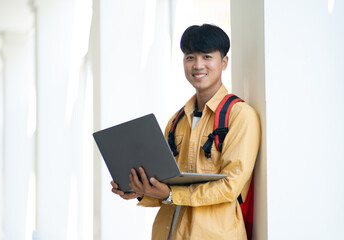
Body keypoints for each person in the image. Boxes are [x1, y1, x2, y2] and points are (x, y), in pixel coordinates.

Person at [111, 24, 261, 240]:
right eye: (190, 57)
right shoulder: (176, 121)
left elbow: (231, 187)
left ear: (224, 62)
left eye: (207, 56)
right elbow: (167, 188)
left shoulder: (240, 116)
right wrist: (140, 190)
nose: (198, 65)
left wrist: (172, 194)